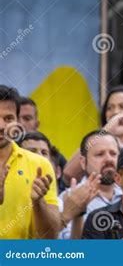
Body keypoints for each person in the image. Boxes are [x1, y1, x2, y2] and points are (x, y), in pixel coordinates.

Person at [0, 85, 60, 239]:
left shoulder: (40, 165)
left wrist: (39, 203)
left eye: (8, 119)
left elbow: (51, 237)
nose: (1, 126)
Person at [59, 130, 123, 239]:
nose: (109, 159)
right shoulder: (68, 198)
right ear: (83, 163)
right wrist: (77, 214)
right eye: (99, 154)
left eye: (113, 153)